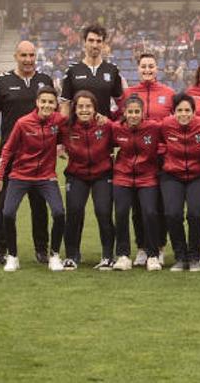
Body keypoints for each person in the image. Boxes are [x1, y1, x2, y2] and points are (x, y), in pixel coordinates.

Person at [0, 40, 52, 265]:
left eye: (31, 55)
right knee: (4, 203)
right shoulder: (2, 83)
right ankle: (0, 247)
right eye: (23, 55)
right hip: (11, 155)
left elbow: (55, 115)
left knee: (39, 205)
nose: (28, 60)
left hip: (40, 156)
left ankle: (42, 248)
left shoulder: (45, 81)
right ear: (16, 56)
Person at [0, 86, 68, 272]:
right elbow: (8, 149)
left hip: (46, 177)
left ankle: (55, 255)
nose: (47, 105)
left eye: (51, 102)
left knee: (59, 213)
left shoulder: (59, 121)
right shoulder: (23, 123)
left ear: (55, 104)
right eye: (43, 101)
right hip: (20, 176)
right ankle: (12, 256)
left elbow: (76, 126)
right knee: (8, 213)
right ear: (37, 102)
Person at [117, 53, 174, 267]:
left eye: (151, 66)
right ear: (138, 69)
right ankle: (141, 247)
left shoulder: (168, 93)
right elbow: (118, 121)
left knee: (158, 206)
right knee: (138, 207)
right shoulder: (129, 94)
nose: (147, 69)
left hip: (161, 158)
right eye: (144, 66)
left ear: (157, 68)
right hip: (135, 158)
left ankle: (159, 247)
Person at [160, 93, 200, 272]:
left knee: (196, 215)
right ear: (173, 112)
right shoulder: (165, 125)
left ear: (194, 112)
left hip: (197, 176)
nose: (183, 114)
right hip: (172, 176)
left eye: (187, 110)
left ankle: (194, 256)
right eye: (179, 110)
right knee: (172, 214)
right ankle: (180, 256)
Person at [61, 90, 115, 270]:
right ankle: (71, 255)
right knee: (74, 212)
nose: (84, 110)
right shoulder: (66, 127)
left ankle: (108, 255)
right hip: (76, 175)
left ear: (95, 109)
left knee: (103, 212)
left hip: (102, 174)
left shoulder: (105, 126)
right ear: (74, 108)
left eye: (88, 106)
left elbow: (124, 135)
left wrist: (109, 121)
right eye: (80, 106)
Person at [110, 95, 163, 271]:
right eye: (130, 111)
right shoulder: (116, 128)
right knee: (121, 213)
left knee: (149, 213)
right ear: (124, 112)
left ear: (143, 113)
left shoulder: (154, 128)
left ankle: (153, 255)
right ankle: (123, 255)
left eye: (137, 112)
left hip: (147, 177)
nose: (133, 115)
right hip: (122, 177)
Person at [60, 24, 124, 117]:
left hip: (103, 128)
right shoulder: (72, 70)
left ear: (103, 44)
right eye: (91, 40)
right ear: (84, 42)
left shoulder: (112, 70)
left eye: (98, 41)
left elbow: (120, 103)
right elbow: (65, 105)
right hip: (78, 129)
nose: (95, 45)